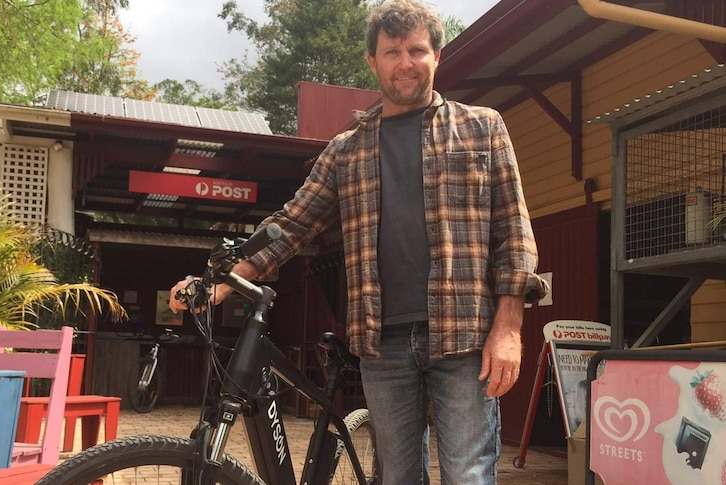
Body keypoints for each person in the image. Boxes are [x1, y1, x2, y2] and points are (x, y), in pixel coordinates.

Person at [170, 0, 548, 482]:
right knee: (397, 478)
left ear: (437, 56)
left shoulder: (483, 127)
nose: (405, 62)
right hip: (382, 343)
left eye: (417, 50)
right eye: (392, 52)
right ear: (373, 62)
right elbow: (293, 224)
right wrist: (223, 281)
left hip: (467, 335)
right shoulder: (346, 150)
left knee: (469, 476)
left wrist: (509, 327)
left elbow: (514, 232)